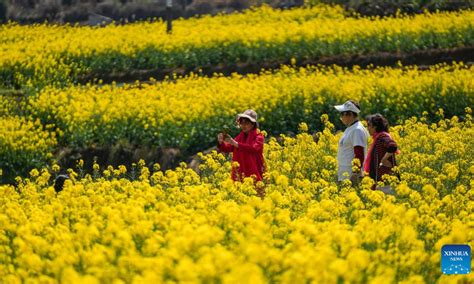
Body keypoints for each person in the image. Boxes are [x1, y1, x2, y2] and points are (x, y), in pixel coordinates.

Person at [217, 109, 265, 195]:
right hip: (240, 171)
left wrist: (235, 143)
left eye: (246, 123)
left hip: (253, 171)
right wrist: (221, 142)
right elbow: (228, 148)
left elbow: (253, 148)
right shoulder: (240, 136)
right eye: (242, 123)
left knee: (257, 196)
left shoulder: (259, 137)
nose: (243, 125)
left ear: (253, 124)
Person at [334, 100, 369, 183]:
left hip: (350, 175)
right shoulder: (350, 128)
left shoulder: (357, 130)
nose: (341, 117)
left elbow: (359, 152)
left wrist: (355, 173)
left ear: (351, 114)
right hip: (344, 173)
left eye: (342, 114)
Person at [364, 113, 399, 189]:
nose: (367, 128)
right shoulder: (377, 138)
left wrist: (384, 159)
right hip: (380, 181)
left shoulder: (382, 137)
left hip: (385, 182)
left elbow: (393, 146)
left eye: (369, 125)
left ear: (375, 127)